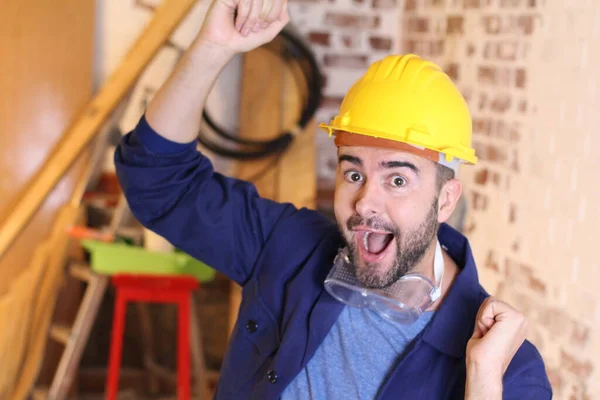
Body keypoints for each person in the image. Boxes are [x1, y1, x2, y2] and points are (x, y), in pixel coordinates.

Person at [114, 0, 552, 398]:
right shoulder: (290, 249)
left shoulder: (505, 367)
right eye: (354, 172)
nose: (365, 203)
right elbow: (159, 181)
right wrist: (213, 45)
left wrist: (482, 378)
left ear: (445, 200)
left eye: (397, 180)